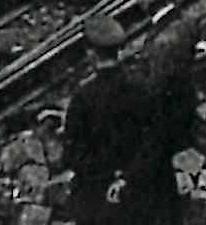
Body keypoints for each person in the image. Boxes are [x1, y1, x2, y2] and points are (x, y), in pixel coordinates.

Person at [65, 15, 185, 225]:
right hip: (143, 196)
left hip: (99, 201)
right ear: (118, 51)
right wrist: (127, 178)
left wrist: (109, 176)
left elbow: (74, 156)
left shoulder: (83, 98)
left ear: (91, 54)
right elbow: (156, 142)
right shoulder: (143, 90)